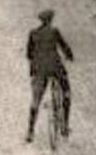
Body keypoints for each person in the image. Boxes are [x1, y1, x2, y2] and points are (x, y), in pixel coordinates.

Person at [25, 9, 74, 143]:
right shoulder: (54, 31)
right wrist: (70, 56)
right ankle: (64, 125)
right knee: (66, 92)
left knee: (36, 100)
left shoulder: (33, 33)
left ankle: (30, 131)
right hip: (54, 67)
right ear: (51, 20)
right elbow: (64, 47)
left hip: (39, 70)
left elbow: (28, 54)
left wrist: (35, 60)